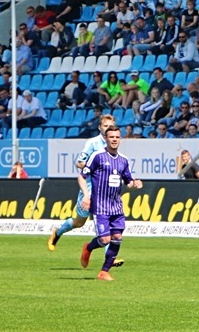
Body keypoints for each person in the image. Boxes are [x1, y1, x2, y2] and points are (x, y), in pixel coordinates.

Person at [47, 114, 123, 271]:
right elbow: (79, 163)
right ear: (100, 128)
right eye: (106, 126)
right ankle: (58, 232)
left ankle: (110, 257)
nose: (109, 129)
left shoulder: (113, 143)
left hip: (105, 192)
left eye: (111, 126)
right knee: (78, 222)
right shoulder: (93, 143)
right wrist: (94, 166)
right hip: (89, 189)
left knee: (106, 222)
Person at [77, 125, 143, 281]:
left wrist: (135, 184)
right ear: (106, 139)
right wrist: (86, 196)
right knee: (105, 239)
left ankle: (104, 272)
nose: (114, 139)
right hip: (100, 206)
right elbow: (82, 176)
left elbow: (128, 182)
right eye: (111, 137)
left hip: (116, 206)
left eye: (117, 137)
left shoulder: (123, 160)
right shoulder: (97, 156)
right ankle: (88, 247)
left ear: (120, 139)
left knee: (117, 237)